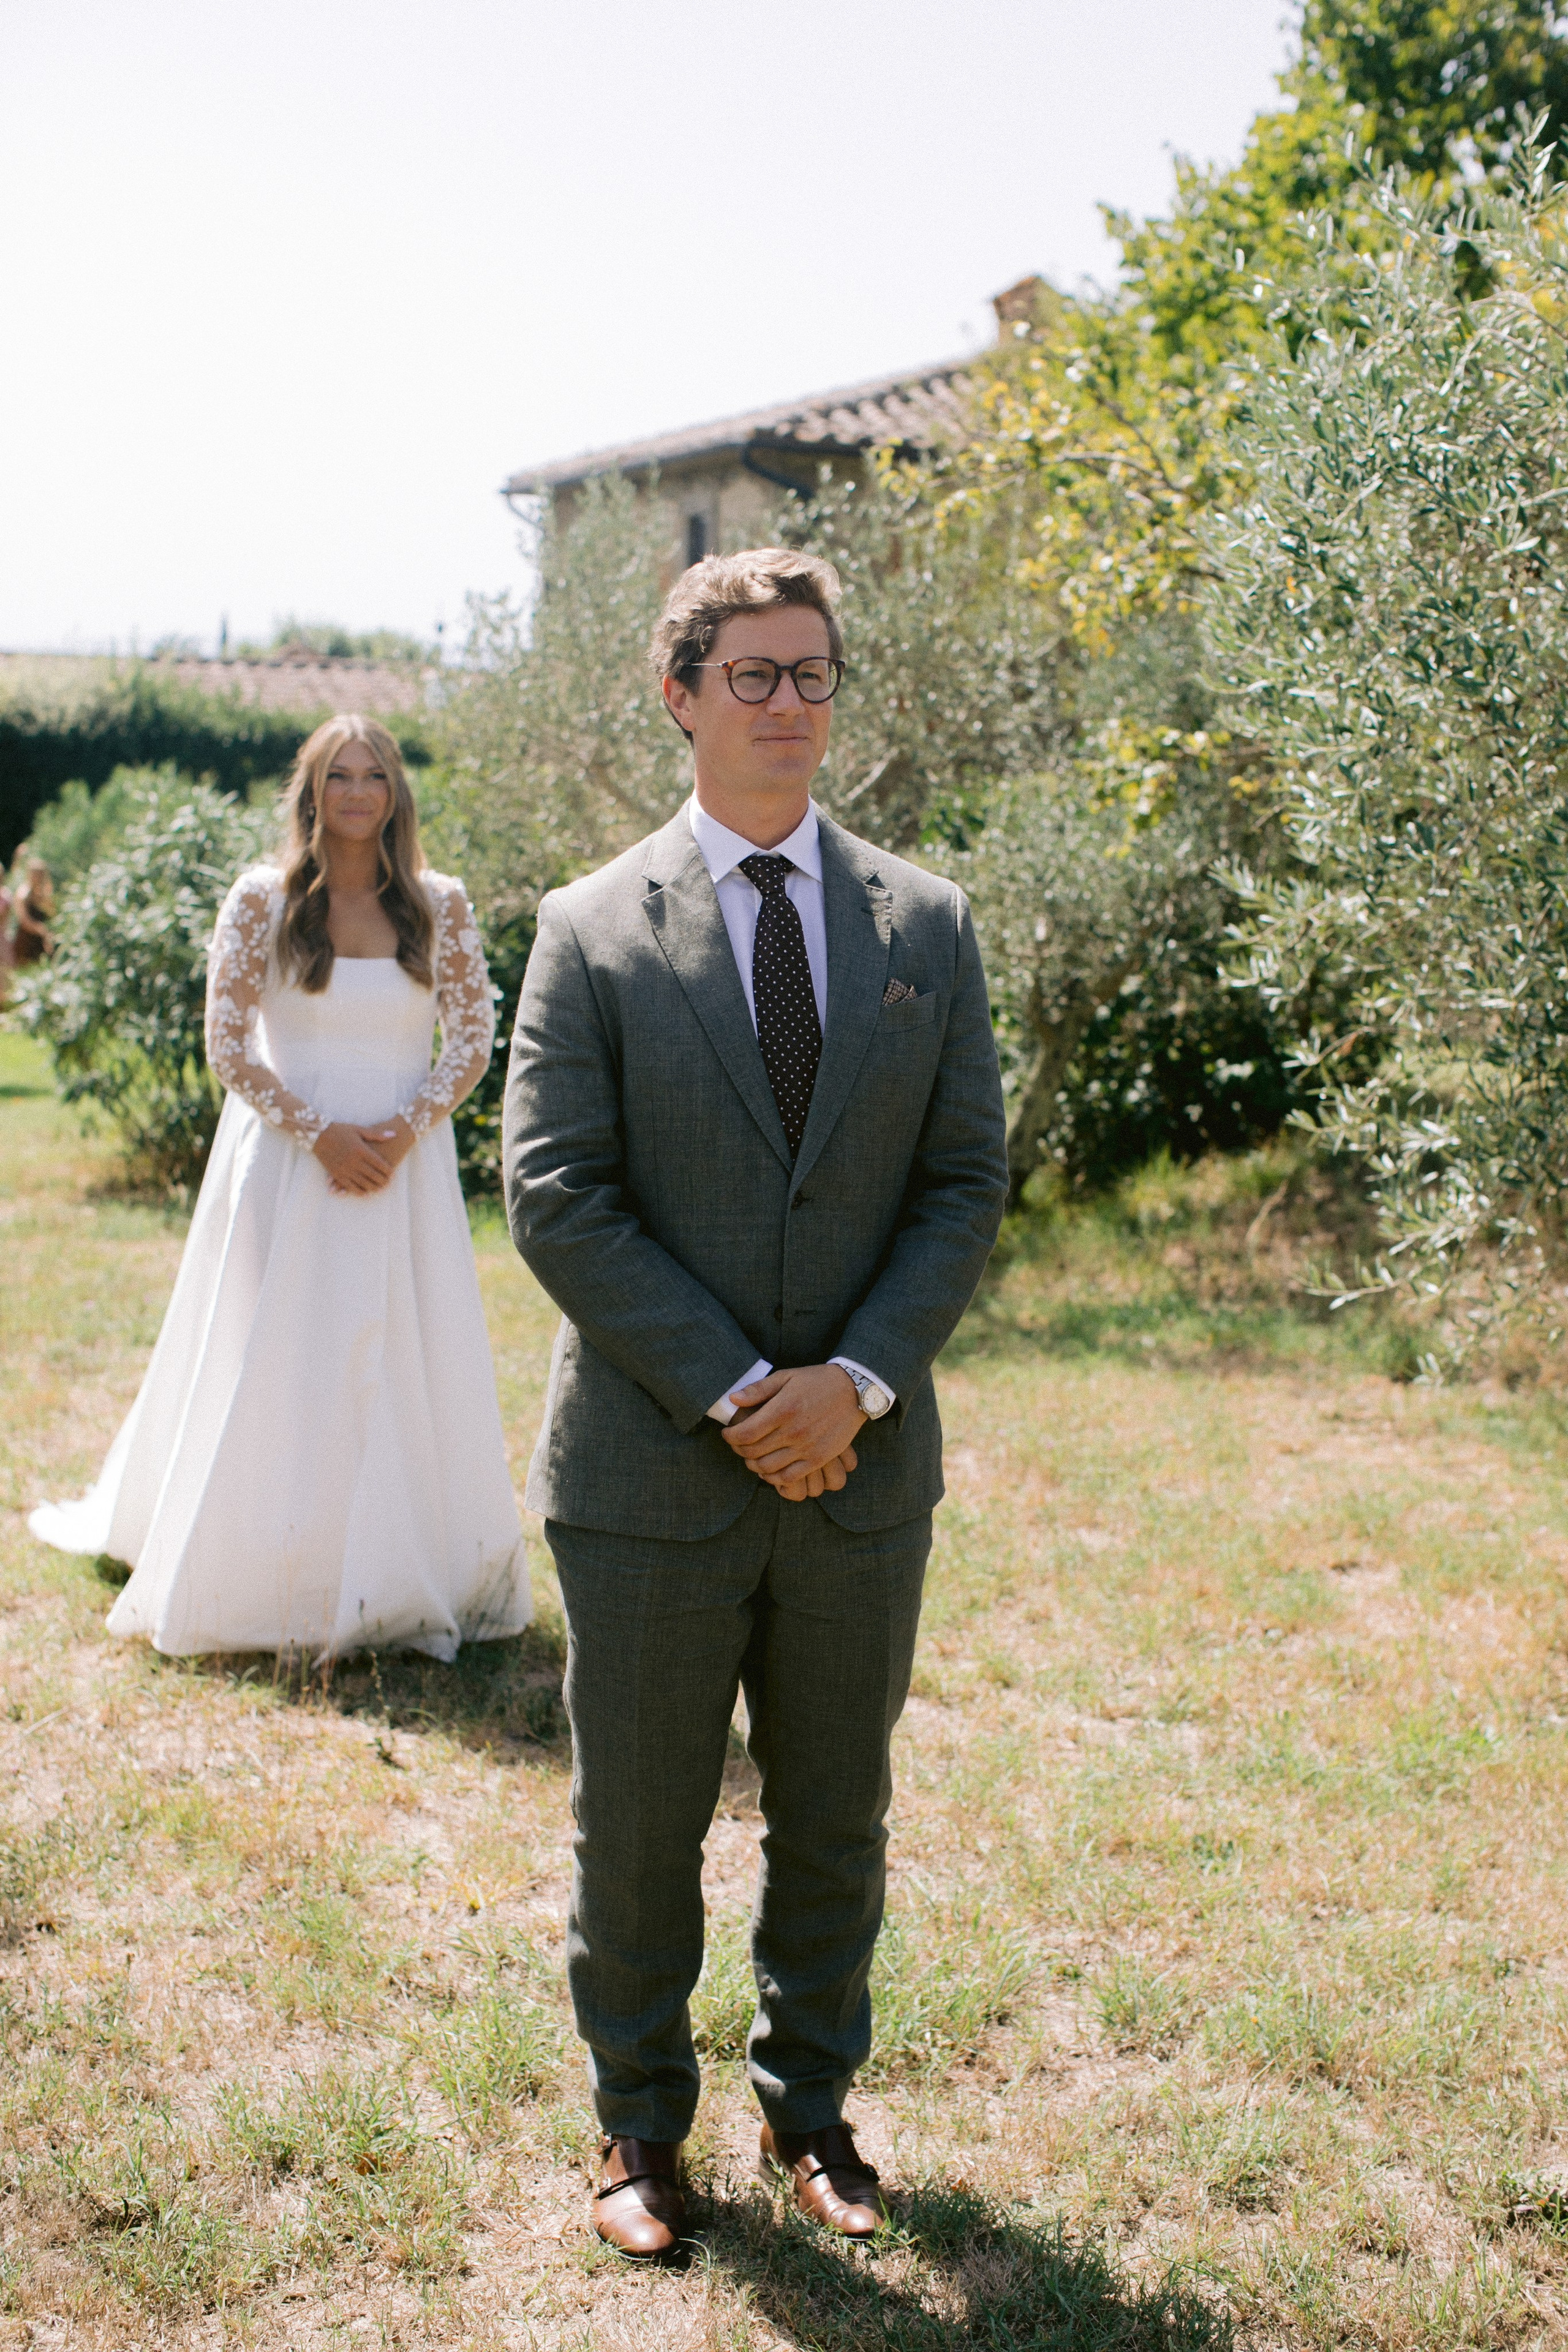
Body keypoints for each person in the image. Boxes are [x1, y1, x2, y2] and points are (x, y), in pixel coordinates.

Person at [503, 549, 1007, 2260]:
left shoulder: (926, 925)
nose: (788, 705)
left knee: (835, 1812)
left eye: (813, 675)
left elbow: (961, 1185)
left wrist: (850, 1387)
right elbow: (558, 1193)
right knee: (637, 1817)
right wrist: (740, 1392)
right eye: (754, 676)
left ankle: (814, 2116)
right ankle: (640, 2131)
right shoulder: (586, 929)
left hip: (861, 1469)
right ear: (680, 694)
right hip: (651, 1468)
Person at [30, 714, 528, 1660]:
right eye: (337, 776)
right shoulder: (261, 899)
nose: (355, 793)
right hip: (289, 1165)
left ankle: (405, 1559)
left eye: (373, 775)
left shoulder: (440, 903)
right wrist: (323, 1138)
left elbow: (470, 1044)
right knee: (276, 1350)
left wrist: (399, 1133)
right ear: (312, 792)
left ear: (395, 793)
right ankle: (262, 1557)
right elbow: (228, 1046)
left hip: (399, 1166)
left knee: (400, 1353)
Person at [11, 858, 55, 965]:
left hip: (43, 942)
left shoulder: (46, 894)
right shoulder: (22, 895)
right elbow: (24, 921)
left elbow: (52, 915)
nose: (38, 878)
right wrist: (42, 931)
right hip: (26, 941)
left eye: (40, 874)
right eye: (35, 874)